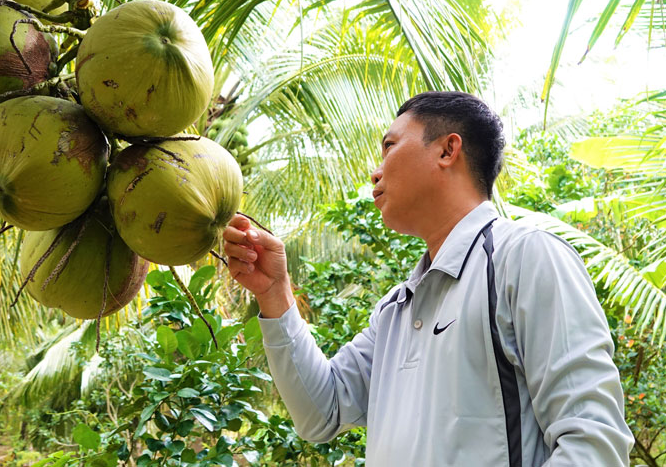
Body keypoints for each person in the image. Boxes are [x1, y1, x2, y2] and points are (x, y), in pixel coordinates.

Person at [223, 91, 634, 466]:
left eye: (389, 146)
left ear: (447, 150)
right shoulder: (395, 310)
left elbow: (594, 440)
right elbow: (321, 413)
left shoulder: (523, 257)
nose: (375, 172)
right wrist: (275, 292)